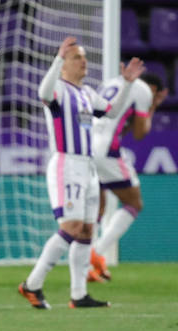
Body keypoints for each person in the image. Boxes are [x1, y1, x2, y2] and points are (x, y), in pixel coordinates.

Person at [19, 37, 143, 311]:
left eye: (84, 57)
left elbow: (111, 113)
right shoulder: (59, 90)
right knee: (71, 227)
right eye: (76, 57)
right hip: (67, 165)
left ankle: (78, 294)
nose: (83, 61)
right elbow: (43, 92)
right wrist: (57, 58)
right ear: (64, 63)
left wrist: (127, 84)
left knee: (87, 230)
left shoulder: (87, 93)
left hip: (88, 167)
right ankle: (32, 283)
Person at [89, 71, 167, 281]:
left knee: (98, 206)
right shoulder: (143, 92)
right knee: (134, 202)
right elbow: (141, 133)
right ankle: (96, 252)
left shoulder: (110, 83)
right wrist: (151, 107)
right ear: (154, 90)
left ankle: (86, 263)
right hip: (107, 150)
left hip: (86, 145)